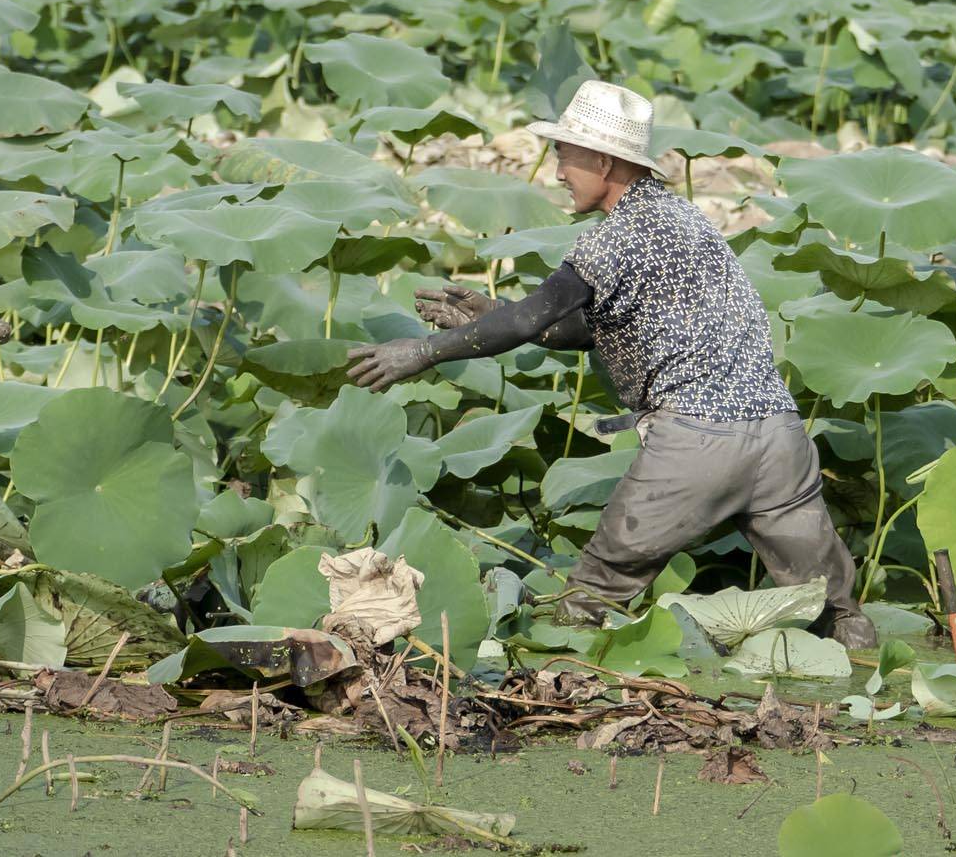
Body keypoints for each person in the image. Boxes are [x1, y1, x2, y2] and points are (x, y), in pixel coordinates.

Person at [346, 81, 877, 649]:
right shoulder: (689, 221)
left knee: (591, 598)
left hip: (700, 441)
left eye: (564, 158)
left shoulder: (616, 238)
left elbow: (529, 321)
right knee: (834, 610)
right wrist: (494, 312)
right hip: (779, 438)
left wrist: (420, 352)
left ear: (602, 160)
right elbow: (581, 325)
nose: (556, 174)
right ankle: (868, 691)